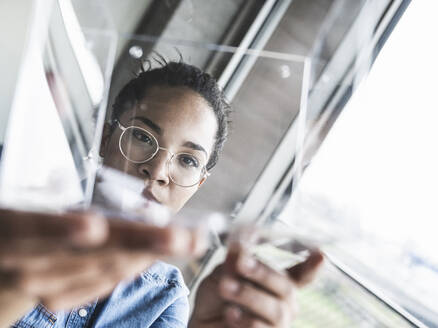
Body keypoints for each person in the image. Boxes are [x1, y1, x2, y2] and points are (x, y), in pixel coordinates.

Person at [0, 59, 323, 327]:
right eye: (142, 137)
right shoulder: (17, 212)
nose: (156, 172)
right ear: (105, 138)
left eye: (186, 160)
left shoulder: (164, 299)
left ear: (197, 184)